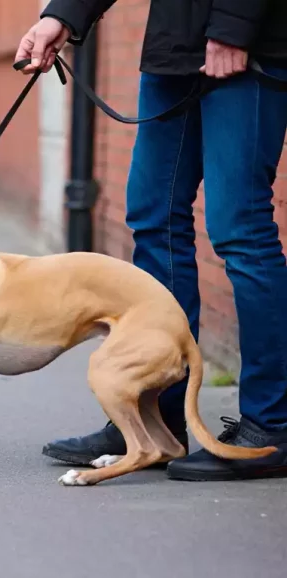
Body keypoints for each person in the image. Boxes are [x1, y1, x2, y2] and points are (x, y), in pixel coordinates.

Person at [16, 0, 287, 481]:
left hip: (247, 48)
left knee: (240, 227)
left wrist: (233, 28)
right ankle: (153, 419)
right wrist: (63, 15)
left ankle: (272, 425)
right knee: (152, 217)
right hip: (173, 50)